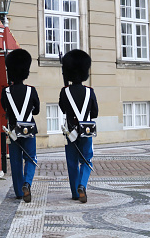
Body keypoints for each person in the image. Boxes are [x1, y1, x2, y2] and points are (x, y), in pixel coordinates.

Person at [58, 49, 98, 203]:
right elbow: (95, 112)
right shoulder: (90, 91)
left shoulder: (64, 91)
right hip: (86, 130)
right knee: (87, 159)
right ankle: (82, 185)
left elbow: (62, 109)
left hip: (70, 131)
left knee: (72, 162)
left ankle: (75, 192)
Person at [0, 48, 40, 203]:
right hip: (29, 129)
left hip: (13, 130)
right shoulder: (31, 90)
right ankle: (27, 184)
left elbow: (5, 109)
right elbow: (36, 110)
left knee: (16, 161)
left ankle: (18, 191)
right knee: (30, 158)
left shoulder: (6, 92)